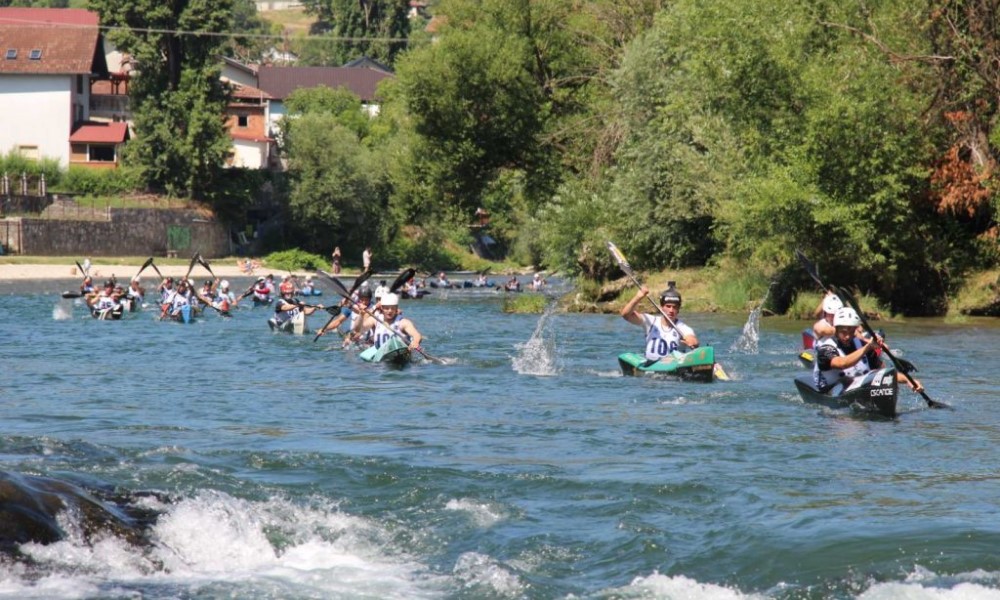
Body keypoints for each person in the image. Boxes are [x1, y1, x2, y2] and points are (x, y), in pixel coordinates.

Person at [813, 307, 922, 392]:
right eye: (844, 332)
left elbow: (883, 373)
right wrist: (868, 347)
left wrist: (908, 380)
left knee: (885, 382)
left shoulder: (862, 345)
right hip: (830, 389)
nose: (847, 336)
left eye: (851, 332)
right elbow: (843, 363)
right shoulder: (826, 349)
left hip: (855, 388)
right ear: (836, 329)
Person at [620, 281, 699, 361]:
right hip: (650, 364)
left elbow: (692, 339)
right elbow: (626, 315)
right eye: (668, 306)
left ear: (678, 309)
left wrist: (692, 341)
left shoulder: (683, 328)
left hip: (673, 364)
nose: (671, 310)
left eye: (674, 307)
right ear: (661, 307)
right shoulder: (651, 321)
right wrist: (638, 297)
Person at [356, 292, 423, 352]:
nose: (390, 311)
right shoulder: (375, 320)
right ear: (382, 308)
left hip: (401, 355)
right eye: (387, 308)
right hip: (380, 356)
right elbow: (358, 330)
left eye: (392, 308)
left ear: (396, 308)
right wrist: (361, 315)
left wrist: (415, 342)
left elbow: (417, 335)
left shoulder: (403, 322)